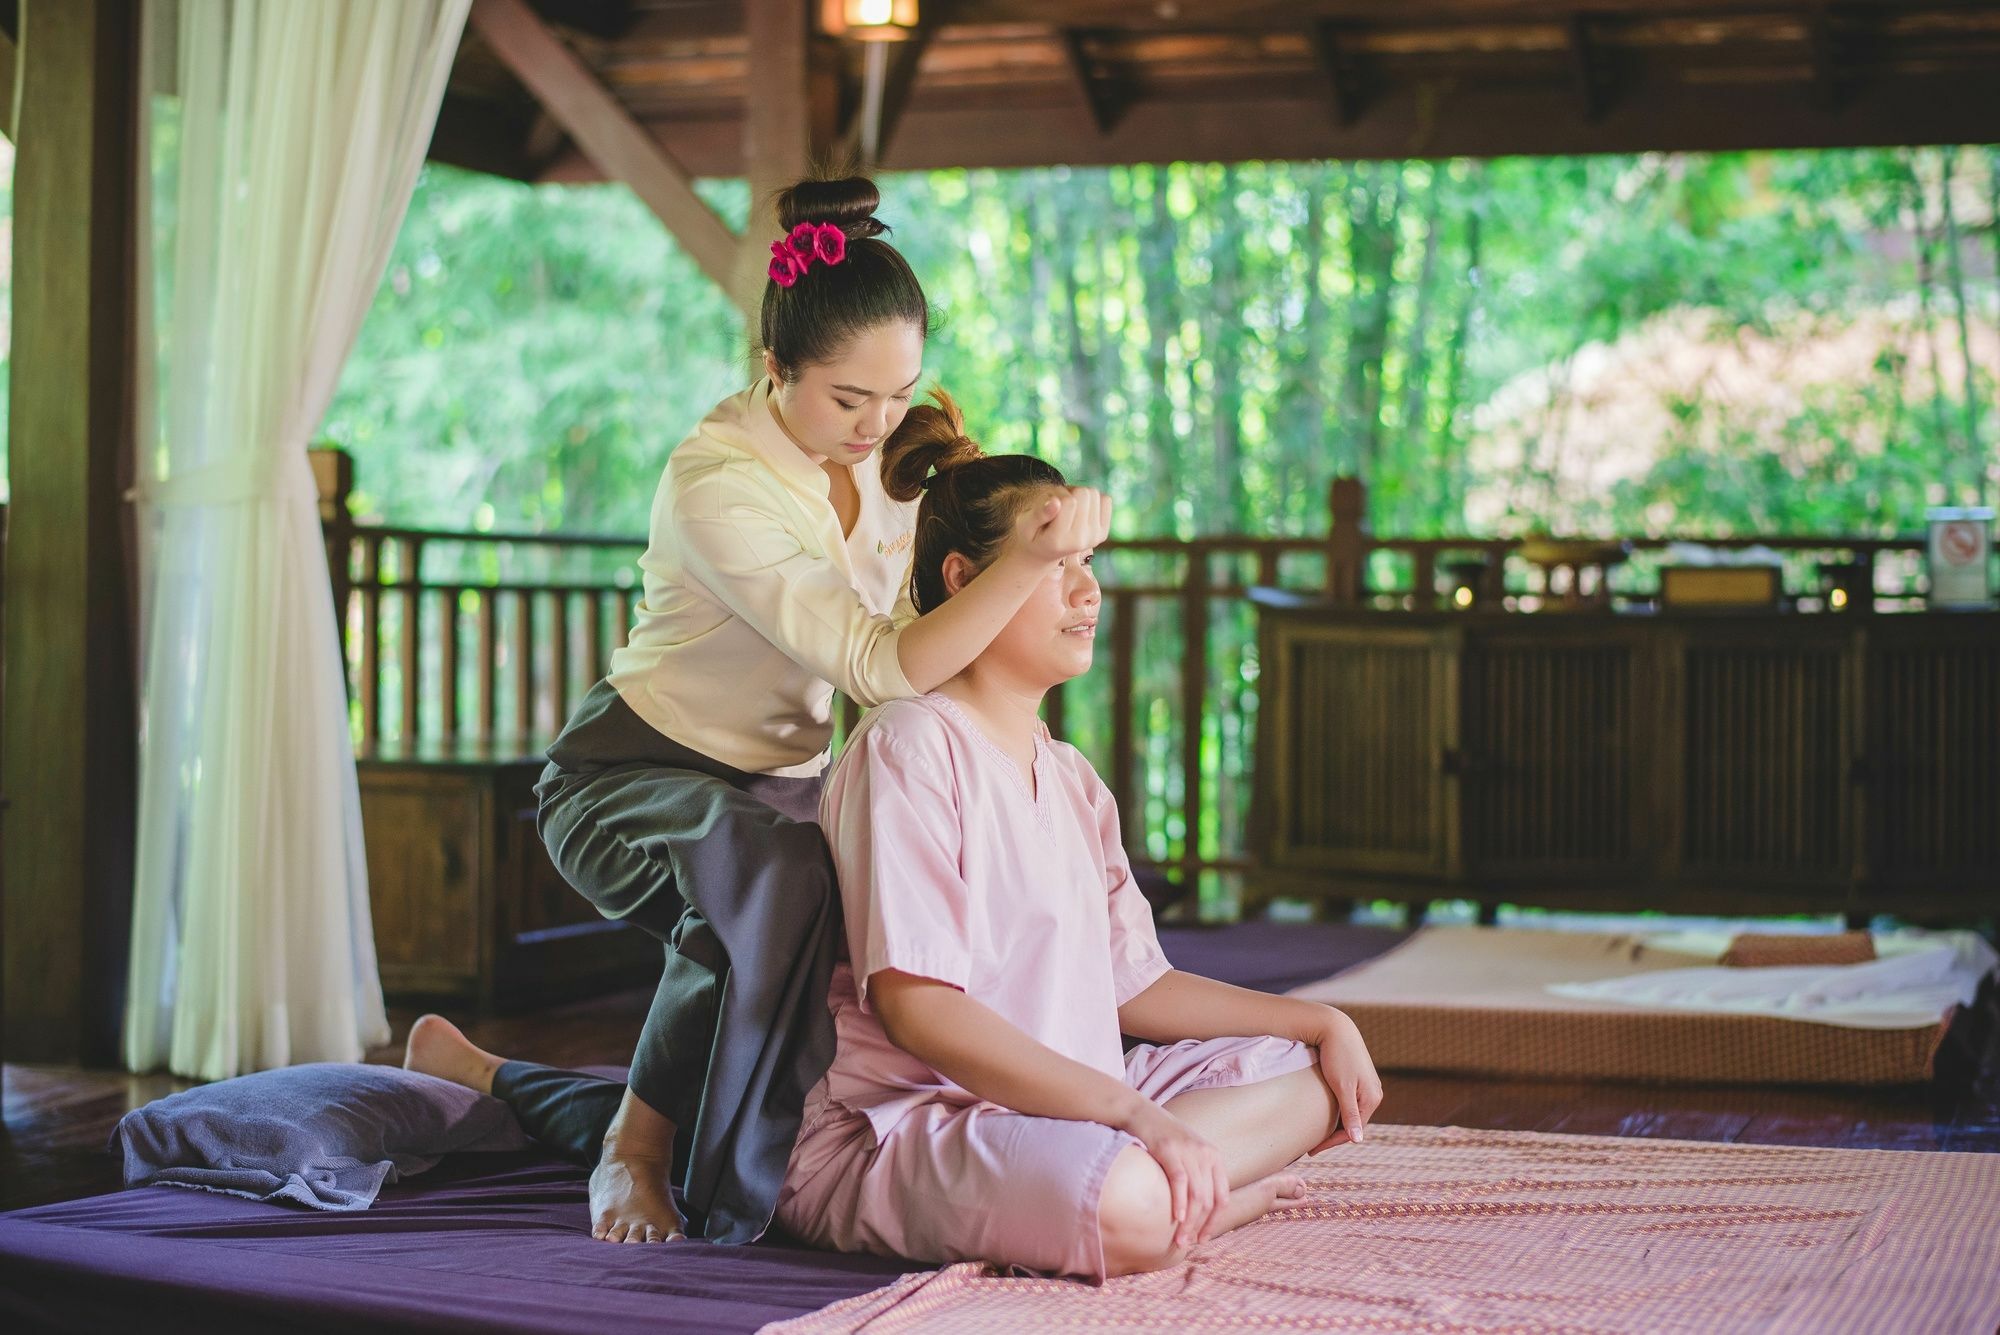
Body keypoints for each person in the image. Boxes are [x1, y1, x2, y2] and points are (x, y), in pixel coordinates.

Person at [409, 393, 1380, 1279]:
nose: (1085, 593)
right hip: (900, 1128)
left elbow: (1138, 985)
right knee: (1125, 1203)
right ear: (965, 578)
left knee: (1304, 1080)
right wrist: (1134, 1117)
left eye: (1088, 567)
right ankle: (1173, 1198)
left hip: (1055, 1108)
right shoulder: (911, 744)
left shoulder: (1074, 780)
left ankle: (1162, 1185)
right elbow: (922, 1016)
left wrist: (1314, 1020)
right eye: (1054, 566)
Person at [407, 174, 1112, 1249]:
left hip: (772, 792)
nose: (875, 425)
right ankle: (628, 1155)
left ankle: (482, 1073)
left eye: (897, 394)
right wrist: (1030, 563)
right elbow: (879, 664)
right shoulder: (715, 483)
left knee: (784, 1067)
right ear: (776, 368)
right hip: (629, 778)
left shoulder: (885, 467)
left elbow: (933, 622)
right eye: (845, 400)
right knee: (769, 881)